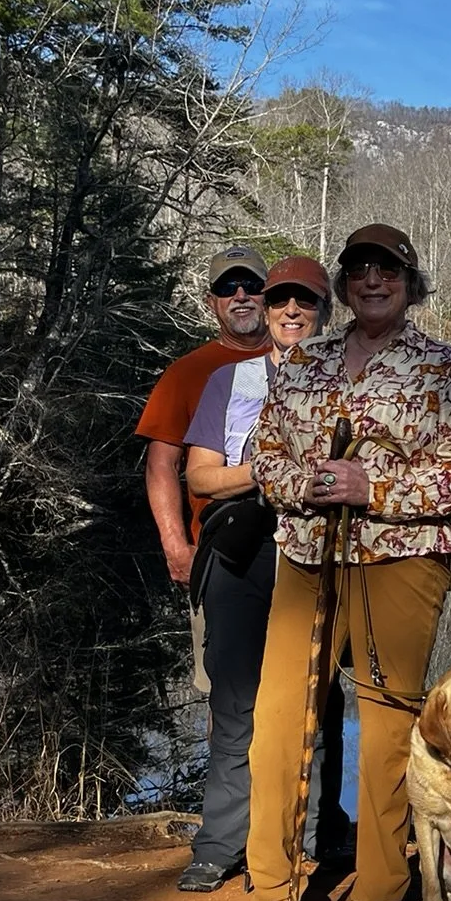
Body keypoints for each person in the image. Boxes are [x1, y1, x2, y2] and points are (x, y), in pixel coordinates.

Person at [235, 224, 451, 901]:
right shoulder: (302, 360)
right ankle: (272, 897)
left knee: (384, 731)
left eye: (389, 271)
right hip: (308, 558)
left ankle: (379, 896)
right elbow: (264, 454)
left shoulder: (441, 366)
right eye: (360, 270)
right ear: (344, 283)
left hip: (399, 560)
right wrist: (301, 483)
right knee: (280, 722)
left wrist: (371, 486)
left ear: (410, 283)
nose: (373, 281)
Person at [176, 256, 346, 893]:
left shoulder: (349, 382)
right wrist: (272, 473)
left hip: (318, 554)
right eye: (280, 303)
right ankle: (220, 844)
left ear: (326, 312)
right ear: (267, 313)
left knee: (313, 700)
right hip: (242, 552)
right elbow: (199, 474)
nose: (292, 312)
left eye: (305, 302)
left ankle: (308, 836)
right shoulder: (233, 380)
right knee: (235, 703)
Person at [135, 244, 270, 693]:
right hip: (220, 557)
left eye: (252, 284)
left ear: (269, 295)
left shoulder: (304, 361)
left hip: (298, 558)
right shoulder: (186, 373)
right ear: (211, 301)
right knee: (226, 695)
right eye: (227, 287)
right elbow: (161, 464)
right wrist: (176, 546)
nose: (241, 295)